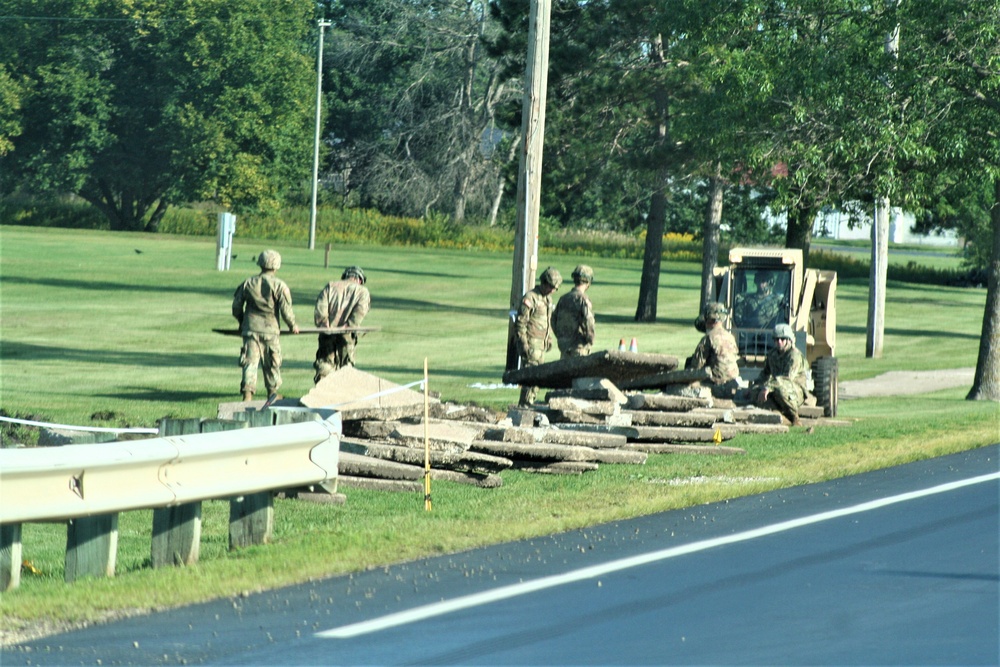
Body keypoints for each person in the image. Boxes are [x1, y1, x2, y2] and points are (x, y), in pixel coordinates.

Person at [231, 249, 299, 402]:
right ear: (277, 265)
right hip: (270, 330)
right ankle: (272, 394)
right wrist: (292, 325)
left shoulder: (247, 283)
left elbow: (236, 306)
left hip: (250, 329)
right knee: (272, 362)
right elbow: (286, 310)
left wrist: (242, 322)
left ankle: (247, 395)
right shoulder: (280, 285)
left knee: (250, 362)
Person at [313, 265, 371, 383]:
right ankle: (343, 396)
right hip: (347, 335)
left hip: (327, 333)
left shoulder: (330, 286)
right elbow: (361, 310)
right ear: (359, 280)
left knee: (325, 364)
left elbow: (321, 307)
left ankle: (320, 395)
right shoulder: (362, 291)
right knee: (346, 366)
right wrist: (350, 325)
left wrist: (324, 324)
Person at [515, 266, 562, 407]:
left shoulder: (547, 299)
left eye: (555, 288)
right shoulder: (530, 298)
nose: (553, 290)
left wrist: (549, 338)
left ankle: (529, 402)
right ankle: (525, 404)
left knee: (538, 377)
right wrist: (524, 344)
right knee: (532, 377)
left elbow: (548, 320)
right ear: (544, 282)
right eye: (551, 287)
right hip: (531, 344)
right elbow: (520, 323)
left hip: (540, 345)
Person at [751, 323, 808, 425]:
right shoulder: (772, 354)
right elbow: (765, 373)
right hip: (776, 387)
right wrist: (756, 386)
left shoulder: (794, 356)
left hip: (795, 391)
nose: (779, 342)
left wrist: (768, 387)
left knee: (780, 388)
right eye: (776, 339)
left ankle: (794, 417)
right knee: (755, 392)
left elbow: (787, 378)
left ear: (789, 340)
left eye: (782, 339)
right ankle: (777, 414)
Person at [685, 302, 741, 398]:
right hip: (733, 384)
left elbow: (696, 366)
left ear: (708, 318)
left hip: (717, 385)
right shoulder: (730, 337)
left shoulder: (709, 338)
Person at [553, 264, 595, 359]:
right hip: (578, 348)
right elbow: (589, 321)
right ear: (588, 281)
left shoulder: (563, 299)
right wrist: (590, 339)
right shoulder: (583, 299)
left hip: (564, 348)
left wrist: (562, 337)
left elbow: (553, 320)